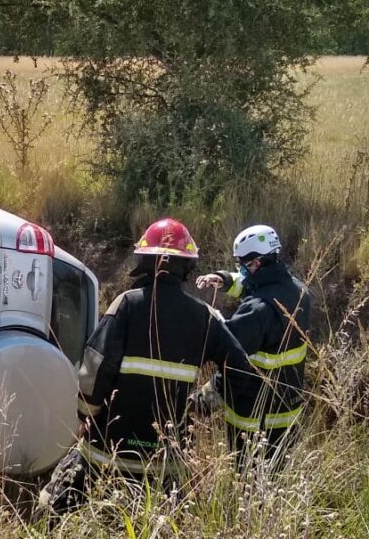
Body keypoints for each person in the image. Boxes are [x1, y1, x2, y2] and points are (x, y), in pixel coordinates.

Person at [38, 218, 260, 516]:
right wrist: (202, 403)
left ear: (143, 260)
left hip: (106, 453)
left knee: (52, 506)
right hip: (166, 465)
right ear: (188, 266)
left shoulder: (127, 305)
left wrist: (86, 415)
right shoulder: (205, 317)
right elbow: (242, 372)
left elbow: (94, 367)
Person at [195, 224, 312, 466]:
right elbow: (252, 284)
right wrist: (225, 279)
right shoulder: (298, 290)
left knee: (248, 477)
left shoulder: (257, 311)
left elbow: (230, 357)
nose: (240, 270)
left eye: (241, 264)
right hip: (288, 408)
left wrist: (202, 400)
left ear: (256, 263)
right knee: (278, 476)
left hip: (253, 416)